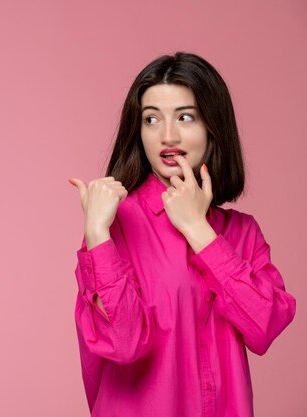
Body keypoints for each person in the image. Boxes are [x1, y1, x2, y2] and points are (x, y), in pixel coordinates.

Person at [67, 52, 296, 417]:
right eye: (151, 119)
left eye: (185, 117)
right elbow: (123, 344)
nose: (167, 136)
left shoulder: (242, 233)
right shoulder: (117, 224)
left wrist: (197, 230)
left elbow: (263, 328)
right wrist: (96, 232)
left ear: (213, 126)